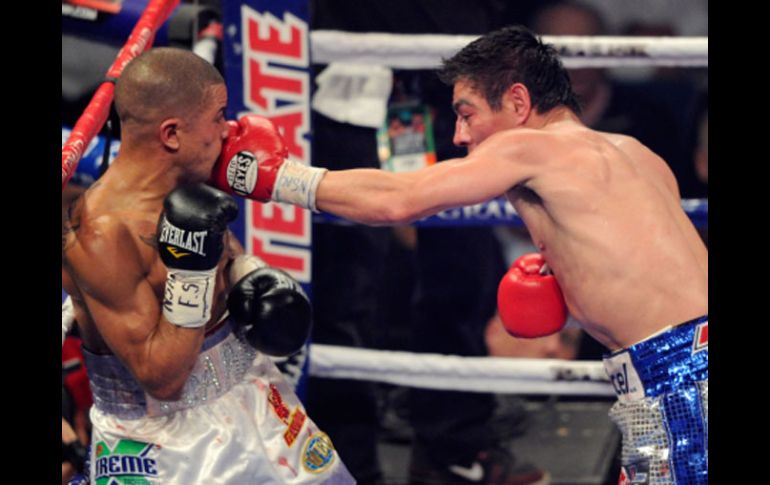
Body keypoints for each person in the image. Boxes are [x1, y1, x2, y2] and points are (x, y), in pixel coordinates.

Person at [217, 26, 707, 484]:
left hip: (677, 376)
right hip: (682, 365)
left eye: (467, 112)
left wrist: (277, 177)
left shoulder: (529, 148)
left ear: (518, 101)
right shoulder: (638, 154)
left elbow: (397, 199)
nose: (459, 135)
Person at [61, 47, 353, 484]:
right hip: (169, 450)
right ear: (172, 133)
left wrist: (250, 274)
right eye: (218, 116)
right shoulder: (104, 235)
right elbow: (162, 378)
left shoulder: (188, 186)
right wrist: (193, 274)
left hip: (256, 401)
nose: (227, 129)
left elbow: (222, 266)